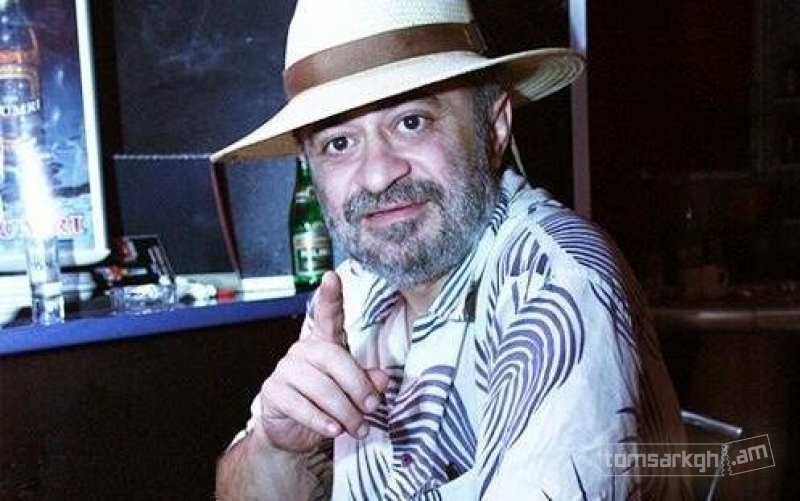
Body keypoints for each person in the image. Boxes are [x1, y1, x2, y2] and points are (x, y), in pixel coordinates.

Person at [211, 0, 689, 499]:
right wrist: (274, 448)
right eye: (339, 143)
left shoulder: (554, 282)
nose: (377, 175)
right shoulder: (350, 293)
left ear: (494, 127)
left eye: (411, 122)